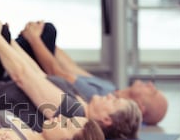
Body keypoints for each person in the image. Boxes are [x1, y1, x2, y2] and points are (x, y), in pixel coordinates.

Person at [0, 19, 142, 140]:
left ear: (106, 119)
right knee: (1, 36)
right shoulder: (80, 103)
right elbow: (37, 73)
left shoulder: (73, 113)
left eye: (115, 102)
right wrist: (9, 40)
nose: (110, 96)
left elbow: (23, 77)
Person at [17, 20, 168, 126]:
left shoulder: (97, 98)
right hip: (35, 67)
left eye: (152, 91)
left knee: (48, 30)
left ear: (140, 107)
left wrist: (34, 39)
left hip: (31, 74)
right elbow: (71, 67)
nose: (150, 84)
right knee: (47, 31)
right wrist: (46, 43)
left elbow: (56, 73)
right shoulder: (110, 89)